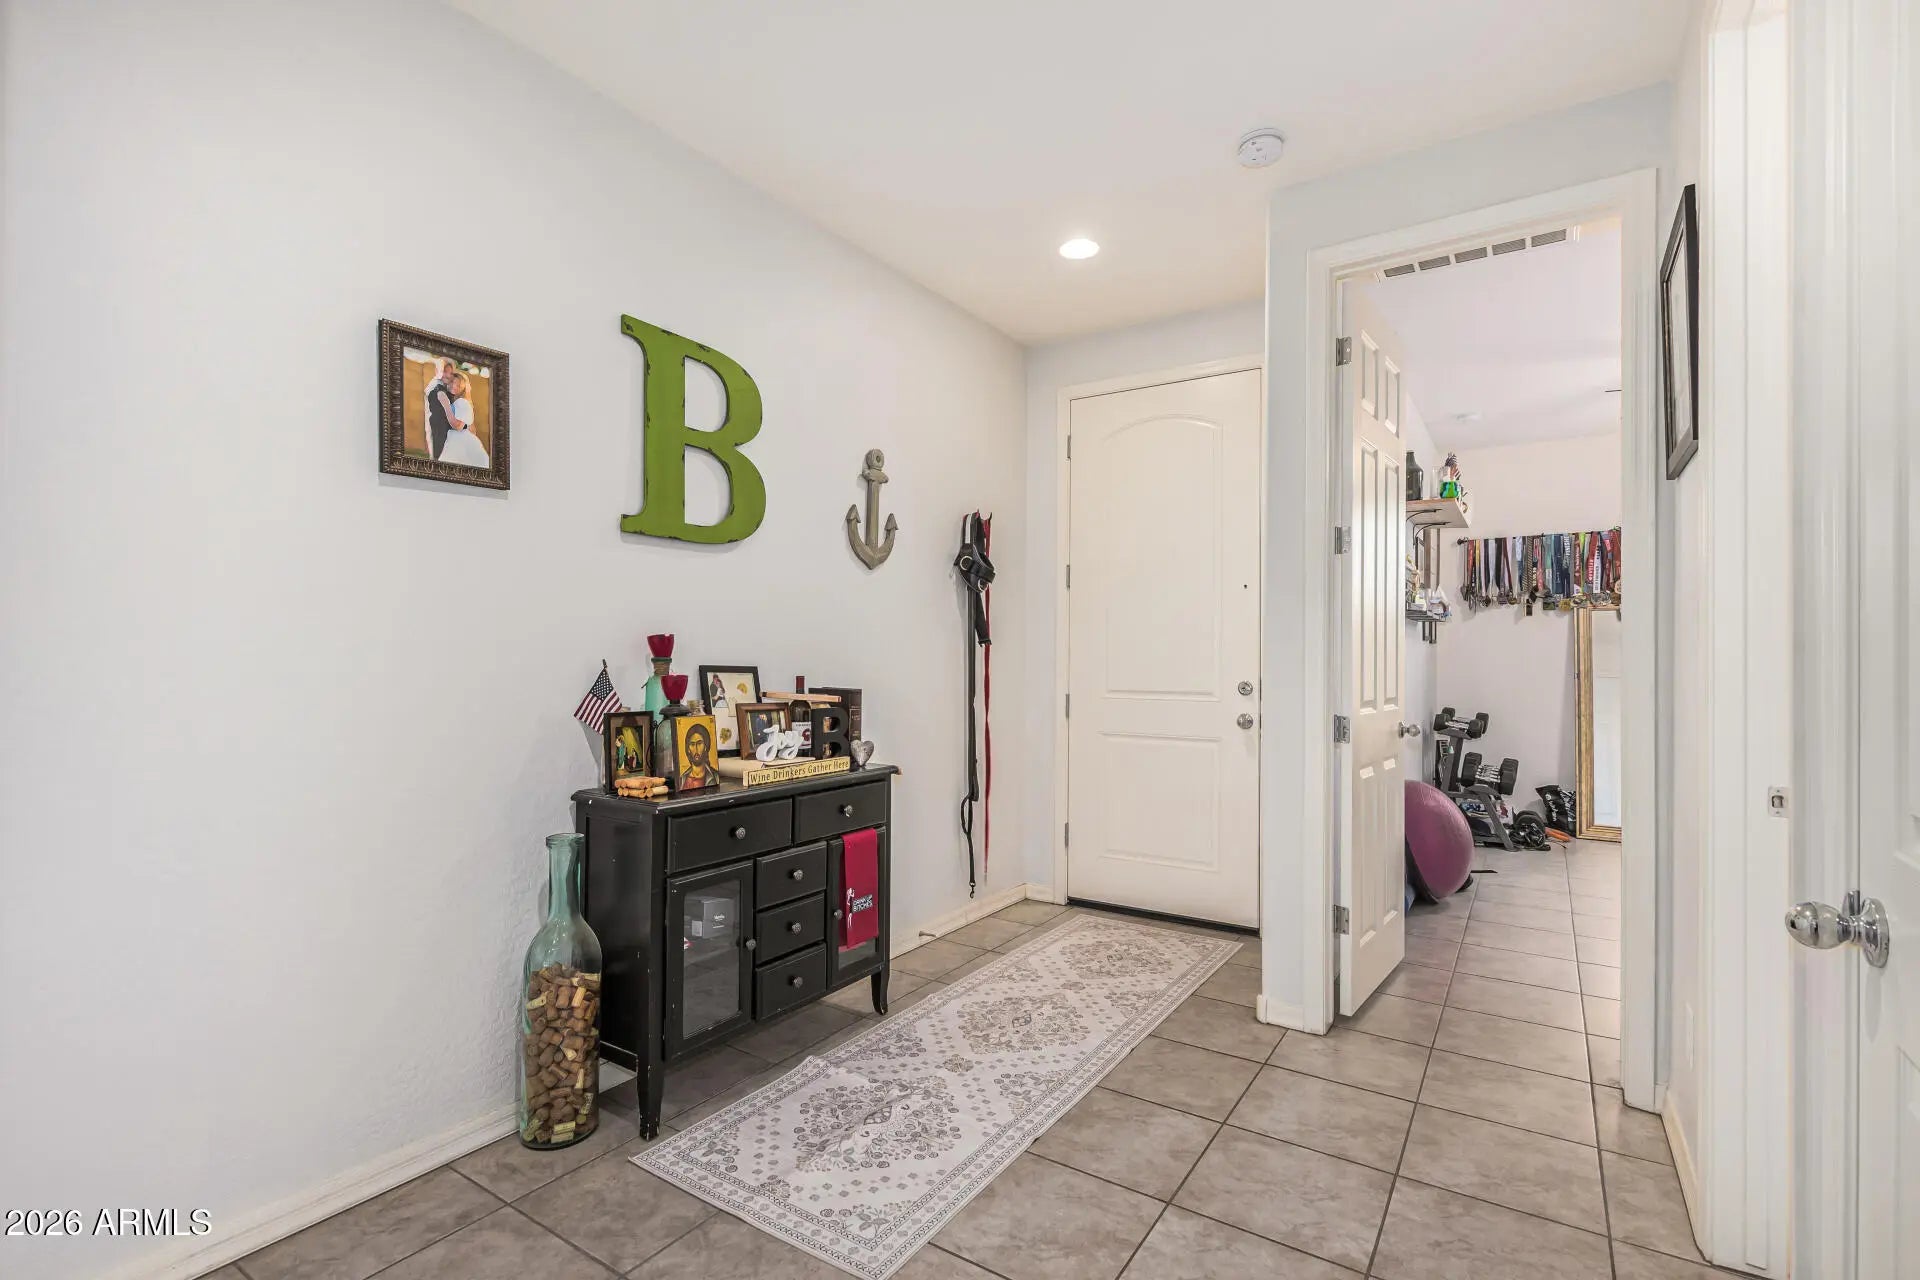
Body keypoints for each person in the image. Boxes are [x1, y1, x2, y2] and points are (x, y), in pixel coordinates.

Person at [436, 370, 490, 468]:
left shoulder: (462, 402)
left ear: (463, 388)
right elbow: (471, 429)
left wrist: (445, 404)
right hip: (458, 441)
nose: (454, 386)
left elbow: (458, 426)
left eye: (458, 385)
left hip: (460, 442)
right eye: (452, 382)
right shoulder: (459, 402)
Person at [422, 359, 456, 460]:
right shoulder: (436, 386)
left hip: (442, 425)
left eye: (451, 373)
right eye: (445, 371)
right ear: (437, 371)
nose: (448, 375)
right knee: (437, 454)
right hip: (436, 425)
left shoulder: (444, 386)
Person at [677, 722, 715, 789]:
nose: (696, 749)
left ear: (705, 746)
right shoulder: (682, 779)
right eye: (692, 744)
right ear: (688, 749)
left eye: (699, 743)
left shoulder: (715, 776)